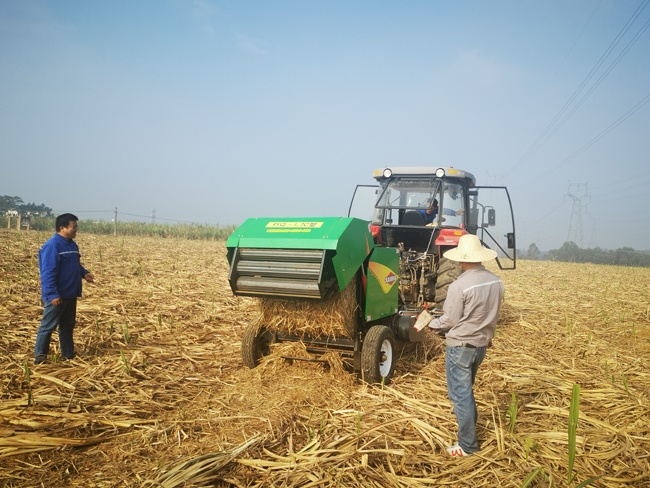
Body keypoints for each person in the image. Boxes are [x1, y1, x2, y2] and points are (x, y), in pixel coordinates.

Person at [414, 234, 503, 456]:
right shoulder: (495, 281)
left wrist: (430, 324)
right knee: (466, 393)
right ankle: (467, 432)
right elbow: (491, 314)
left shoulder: (459, 285)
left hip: (461, 347)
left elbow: (450, 320)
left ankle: (467, 446)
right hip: (481, 345)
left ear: (461, 259)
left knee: (461, 396)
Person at [34, 213, 94, 364]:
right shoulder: (52, 246)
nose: (76, 229)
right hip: (57, 295)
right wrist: (52, 294)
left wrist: (84, 273)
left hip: (71, 293)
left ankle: (68, 355)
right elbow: (47, 272)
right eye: (74, 227)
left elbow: (74, 265)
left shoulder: (72, 245)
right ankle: (40, 359)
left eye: (76, 226)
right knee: (47, 327)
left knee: (67, 326)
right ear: (62, 228)